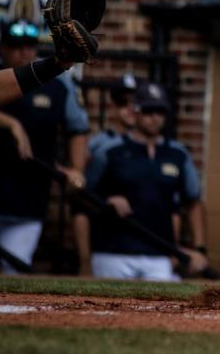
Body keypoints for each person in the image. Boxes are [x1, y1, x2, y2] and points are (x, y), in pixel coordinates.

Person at [0, 19, 89, 273]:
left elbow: (77, 128)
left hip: (28, 195)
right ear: (2, 49)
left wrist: (75, 169)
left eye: (30, 46)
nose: (25, 52)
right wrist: (10, 123)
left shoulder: (58, 87)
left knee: (15, 273)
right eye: (16, 46)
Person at [84, 82, 208, 280]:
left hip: (159, 254)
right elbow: (83, 196)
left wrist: (200, 248)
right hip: (113, 252)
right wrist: (107, 200)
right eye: (149, 110)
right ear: (136, 111)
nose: (155, 117)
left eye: (160, 111)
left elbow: (193, 200)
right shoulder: (109, 151)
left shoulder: (177, 154)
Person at [74, 72, 141, 276]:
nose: (130, 108)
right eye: (123, 102)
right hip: (109, 242)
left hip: (149, 245)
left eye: (136, 102)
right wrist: (85, 260)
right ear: (112, 104)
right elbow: (81, 202)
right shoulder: (99, 146)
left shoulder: (157, 147)